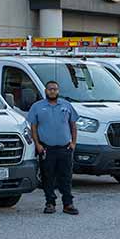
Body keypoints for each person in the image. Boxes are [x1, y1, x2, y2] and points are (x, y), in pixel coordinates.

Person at [28, 80, 80, 214]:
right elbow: (33, 127)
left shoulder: (66, 105)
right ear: (45, 91)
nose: (52, 91)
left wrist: (73, 142)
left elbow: (73, 125)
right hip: (46, 149)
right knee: (48, 177)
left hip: (65, 148)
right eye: (50, 89)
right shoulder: (37, 107)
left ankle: (68, 204)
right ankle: (50, 203)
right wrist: (37, 144)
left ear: (58, 91)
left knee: (66, 177)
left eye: (55, 89)